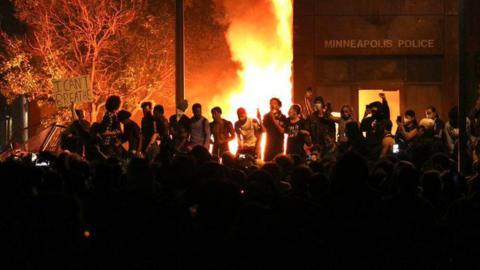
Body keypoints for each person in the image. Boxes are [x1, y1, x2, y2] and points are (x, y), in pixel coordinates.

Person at [360, 93, 390, 158]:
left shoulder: (383, 119)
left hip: (379, 144)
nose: (373, 110)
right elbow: (362, 128)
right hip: (369, 145)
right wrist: (365, 115)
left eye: (374, 108)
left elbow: (386, 111)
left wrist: (384, 100)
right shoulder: (368, 119)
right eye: (372, 109)